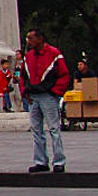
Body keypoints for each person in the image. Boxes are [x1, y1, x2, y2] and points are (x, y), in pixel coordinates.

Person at [21, 28, 70, 173]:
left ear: (40, 38)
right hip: (33, 97)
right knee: (37, 130)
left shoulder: (54, 53)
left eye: (31, 38)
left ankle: (59, 161)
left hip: (48, 96)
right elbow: (23, 76)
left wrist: (55, 92)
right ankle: (40, 161)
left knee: (54, 128)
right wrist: (25, 92)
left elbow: (64, 75)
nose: (28, 41)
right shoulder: (28, 56)